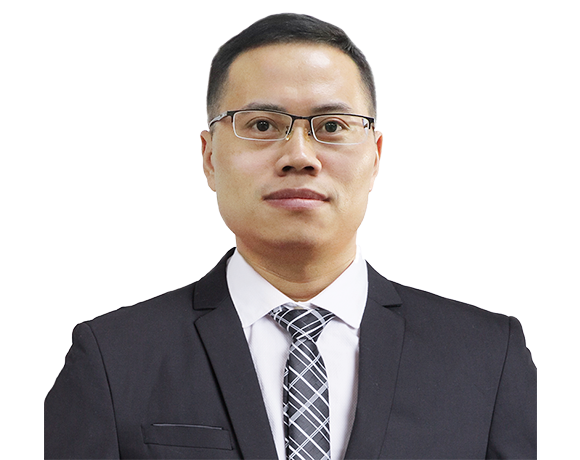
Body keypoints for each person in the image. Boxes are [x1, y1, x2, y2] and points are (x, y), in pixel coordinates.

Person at [45, 13, 536, 460]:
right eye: (262, 124)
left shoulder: (488, 358)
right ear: (210, 158)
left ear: (375, 157)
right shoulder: (112, 359)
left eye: (332, 125)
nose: (299, 156)